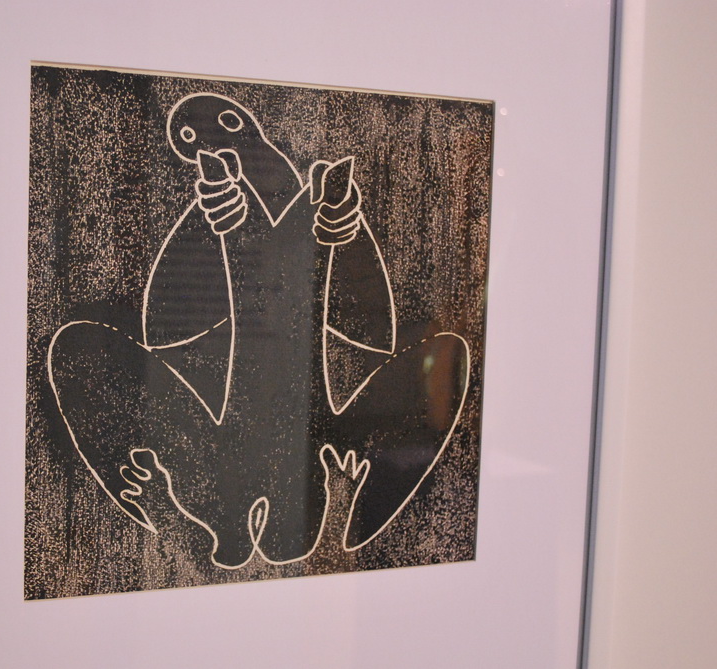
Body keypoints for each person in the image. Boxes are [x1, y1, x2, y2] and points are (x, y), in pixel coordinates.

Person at [49, 93, 469, 568]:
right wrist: (212, 233)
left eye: (226, 126)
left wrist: (344, 237)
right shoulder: (202, 233)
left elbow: (371, 335)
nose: (213, 145)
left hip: (315, 437)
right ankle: (189, 522)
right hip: (221, 445)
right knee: (79, 348)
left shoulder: (305, 202)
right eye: (191, 140)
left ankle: (219, 519)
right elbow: (166, 336)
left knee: (446, 352)